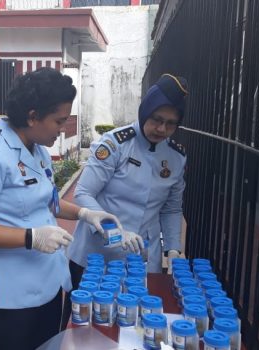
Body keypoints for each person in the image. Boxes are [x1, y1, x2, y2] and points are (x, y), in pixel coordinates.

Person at [0, 67, 121, 350]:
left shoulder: (38, 149)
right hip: (7, 296)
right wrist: (30, 237)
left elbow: (48, 200)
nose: (63, 128)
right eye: (59, 121)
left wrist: (84, 213)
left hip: (48, 284)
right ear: (32, 116)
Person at [66, 73, 188, 286]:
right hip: (96, 256)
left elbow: (172, 208)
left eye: (170, 124)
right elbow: (83, 193)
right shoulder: (115, 145)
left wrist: (173, 249)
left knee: (138, 315)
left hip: (142, 259)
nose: (162, 129)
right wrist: (114, 232)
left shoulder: (175, 156)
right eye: (157, 120)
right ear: (145, 112)